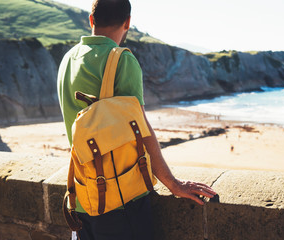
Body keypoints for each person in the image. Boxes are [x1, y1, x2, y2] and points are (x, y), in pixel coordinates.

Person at [57, 0, 217, 239]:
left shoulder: (68, 60)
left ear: (91, 20)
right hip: (120, 202)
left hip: (81, 198)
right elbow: (141, 129)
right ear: (128, 22)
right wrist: (173, 183)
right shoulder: (121, 60)